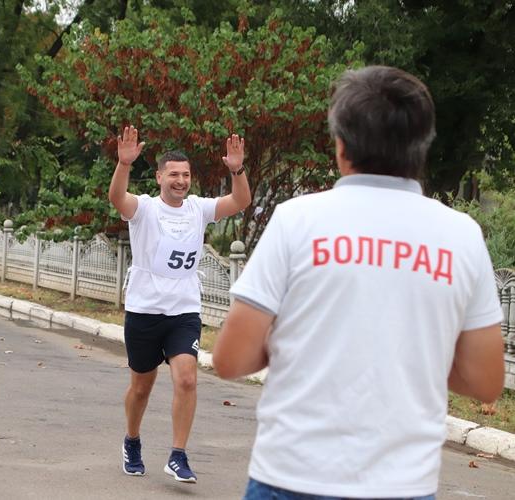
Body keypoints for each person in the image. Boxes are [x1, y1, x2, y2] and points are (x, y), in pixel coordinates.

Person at [213, 66, 505, 499]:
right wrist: (409, 355)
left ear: (341, 144)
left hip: (292, 476)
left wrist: (309, 346)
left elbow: (230, 359)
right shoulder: (461, 235)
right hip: (403, 484)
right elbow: (484, 381)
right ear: (422, 145)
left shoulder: (298, 220)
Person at [109, 125, 251, 483]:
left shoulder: (198, 209)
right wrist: (124, 164)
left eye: (186, 175)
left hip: (184, 309)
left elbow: (240, 202)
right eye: (174, 174)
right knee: (141, 386)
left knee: (187, 378)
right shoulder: (144, 208)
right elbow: (116, 198)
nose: (181, 180)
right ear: (159, 177)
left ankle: (178, 455)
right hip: (144, 309)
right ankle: (132, 440)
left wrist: (237, 170)